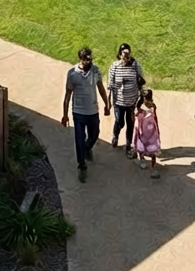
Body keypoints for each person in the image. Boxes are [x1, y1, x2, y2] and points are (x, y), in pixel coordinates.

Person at [61, 47, 111, 183]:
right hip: (78, 112)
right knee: (79, 139)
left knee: (94, 134)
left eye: (90, 59)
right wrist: (65, 115)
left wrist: (107, 104)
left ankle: (87, 148)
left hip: (93, 111)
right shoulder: (72, 74)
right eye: (87, 60)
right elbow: (67, 95)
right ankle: (82, 165)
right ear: (81, 59)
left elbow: (100, 88)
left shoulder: (95, 71)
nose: (89, 62)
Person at [108, 43, 145, 156]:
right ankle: (115, 135)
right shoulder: (114, 66)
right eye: (124, 53)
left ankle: (128, 146)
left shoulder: (135, 66)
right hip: (118, 102)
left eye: (128, 53)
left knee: (130, 123)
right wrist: (108, 102)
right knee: (120, 121)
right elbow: (110, 85)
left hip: (131, 102)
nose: (126, 56)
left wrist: (141, 98)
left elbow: (141, 82)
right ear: (120, 54)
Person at [133, 87, 162, 178]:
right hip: (142, 129)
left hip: (151, 130)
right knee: (142, 145)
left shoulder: (153, 106)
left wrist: (157, 129)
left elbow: (155, 118)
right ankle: (142, 159)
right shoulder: (139, 106)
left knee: (153, 148)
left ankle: (153, 166)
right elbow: (136, 117)